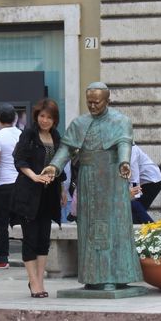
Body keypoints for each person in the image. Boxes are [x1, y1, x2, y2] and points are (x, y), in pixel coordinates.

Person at [42, 82, 143, 292]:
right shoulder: (80, 123)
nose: (93, 106)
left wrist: (124, 162)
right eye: (89, 102)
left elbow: (124, 142)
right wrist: (54, 166)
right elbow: (66, 149)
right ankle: (92, 275)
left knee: (113, 227)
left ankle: (114, 276)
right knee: (89, 227)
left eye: (97, 102)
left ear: (107, 100)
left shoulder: (120, 121)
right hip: (88, 180)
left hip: (112, 179)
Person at [10, 98, 65, 298]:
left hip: (49, 194)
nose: (45, 120)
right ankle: (33, 282)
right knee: (30, 238)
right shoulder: (29, 134)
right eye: (42, 116)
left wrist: (62, 190)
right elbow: (19, 160)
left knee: (43, 239)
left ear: (54, 120)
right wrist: (34, 176)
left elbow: (60, 165)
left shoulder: (57, 136)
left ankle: (40, 281)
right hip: (28, 192)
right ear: (36, 116)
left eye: (49, 117)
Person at [0, 103, 22, 268]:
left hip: (3, 185)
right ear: (15, 118)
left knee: (0, 222)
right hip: (21, 184)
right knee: (24, 220)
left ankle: (1, 257)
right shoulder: (22, 134)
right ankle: (32, 254)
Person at [129, 144, 161, 223]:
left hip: (152, 181)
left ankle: (152, 229)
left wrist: (134, 196)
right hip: (146, 181)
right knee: (134, 211)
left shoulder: (132, 151)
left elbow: (134, 177)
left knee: (135, 205)